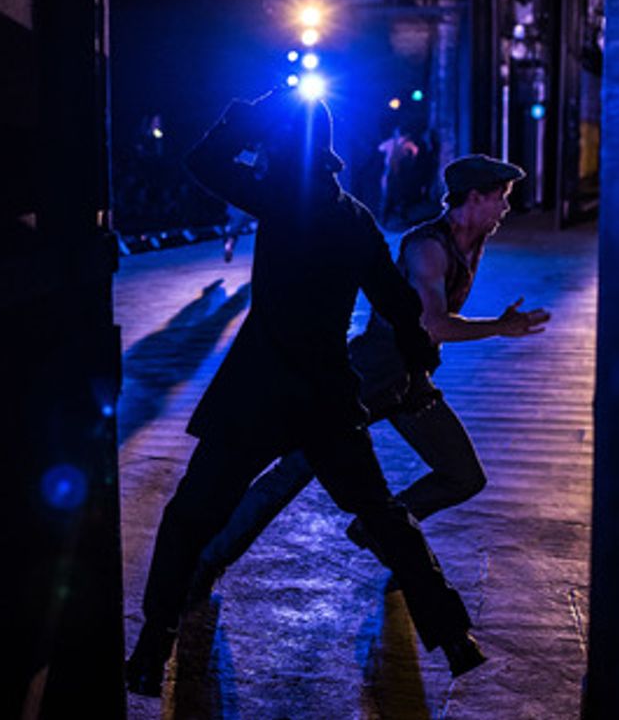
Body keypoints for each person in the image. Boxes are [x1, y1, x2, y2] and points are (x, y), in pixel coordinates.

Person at [124, 91, 486, 697]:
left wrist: (249, 113)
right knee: (383, 516)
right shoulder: (355, 219)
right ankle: (453, 636)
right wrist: (422, 360)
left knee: (190, 516)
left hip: (257, 392)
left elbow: (203, 160)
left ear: (285, 144)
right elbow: (399, 306)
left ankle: (152, 647)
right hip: (326, 397)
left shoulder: (276, 197)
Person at [193, 154, 550, 598]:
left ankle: (377, 529)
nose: (506, 208)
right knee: (292, 472)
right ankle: (206, 562)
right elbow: (433, 324)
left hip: (410, 382)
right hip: (366, 377)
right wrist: (500, 326)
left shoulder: (472, 242)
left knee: (463, 475)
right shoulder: (428, 247)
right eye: (500, 198)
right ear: (474, 198)